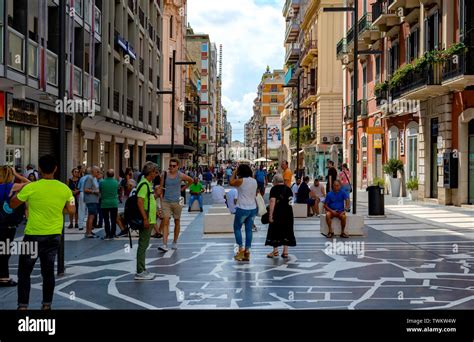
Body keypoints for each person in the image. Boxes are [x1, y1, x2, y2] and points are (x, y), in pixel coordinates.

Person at [10, 155, 75, 310]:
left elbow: (13, 204)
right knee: (48, 272)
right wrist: (59, 209)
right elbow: (72, 209)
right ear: (55, 169)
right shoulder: (64, 188)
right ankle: (46, 305)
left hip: (32, 235)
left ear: (39, 169)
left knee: (24, 272)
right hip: (53, 236)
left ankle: (23, 306)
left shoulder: (31, 187)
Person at [0, 166, 30, 287]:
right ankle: (4, 278)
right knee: (4, 251)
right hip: (6, 224)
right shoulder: (9, 187)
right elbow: (30, 184)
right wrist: (18, 175)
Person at [159, 158, 193, 252]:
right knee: (165, 220)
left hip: (177, 202)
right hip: (166, 201)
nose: (171, 167)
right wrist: (161, 200)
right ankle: (164, 244)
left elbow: (191, 180)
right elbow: (161, 187)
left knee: (177, 221)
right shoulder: (164, 174)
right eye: (170, 165)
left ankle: (175, 241)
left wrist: (183, 189)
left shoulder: (180, 175)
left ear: (177, 166)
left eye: (174, 166)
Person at [135, 162, 159, 280]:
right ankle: (140, 271)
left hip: (150, 218)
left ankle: (142, 269)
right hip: (147, 219)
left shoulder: (147, 184)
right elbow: (140, 201)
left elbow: (148, 200)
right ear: (150, 172)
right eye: (155, 171)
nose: (156, 174)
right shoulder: (144, 184)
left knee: (144, 244)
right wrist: (145, 218)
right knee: (143, 245)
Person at [229, 164, 258, 262]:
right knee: (249, 230)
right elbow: (256, 193)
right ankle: (247, 252)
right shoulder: (254, 181)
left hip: (242, 208)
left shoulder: (241, 181)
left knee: (237, 228)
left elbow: (231, 182)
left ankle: (240, 250)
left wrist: (233, 173)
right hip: (253, 208)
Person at [265, 174, 296, 259]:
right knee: (286, 231)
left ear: (275, 181)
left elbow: (272, 201)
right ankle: (285, 251)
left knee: (275, 231)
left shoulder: (274, 189)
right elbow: (291, 203)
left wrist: (270, 215)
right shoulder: (289, 189)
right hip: (288, 214)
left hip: (277, 214)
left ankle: (275, 251)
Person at [100, 169, 119, 240]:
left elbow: (100, 190)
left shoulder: (102, 182)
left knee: (106, 219)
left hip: (104, 203)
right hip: (114, 203)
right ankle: (113, 233)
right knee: (113, 219)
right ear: (113, 175)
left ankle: (107, 233)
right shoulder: (116, 182)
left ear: (106, 174)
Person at [84, 166, 100, 238]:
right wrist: (95, 191)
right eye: (97, 171)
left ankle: (89, 231)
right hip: (91, 200)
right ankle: (88, 233)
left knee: (91, 216)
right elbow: (86, 189)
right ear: (93, 171)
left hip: (94, 200)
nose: (98, 173)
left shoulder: (94, 178)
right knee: (91, 216)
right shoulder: (89, 178)